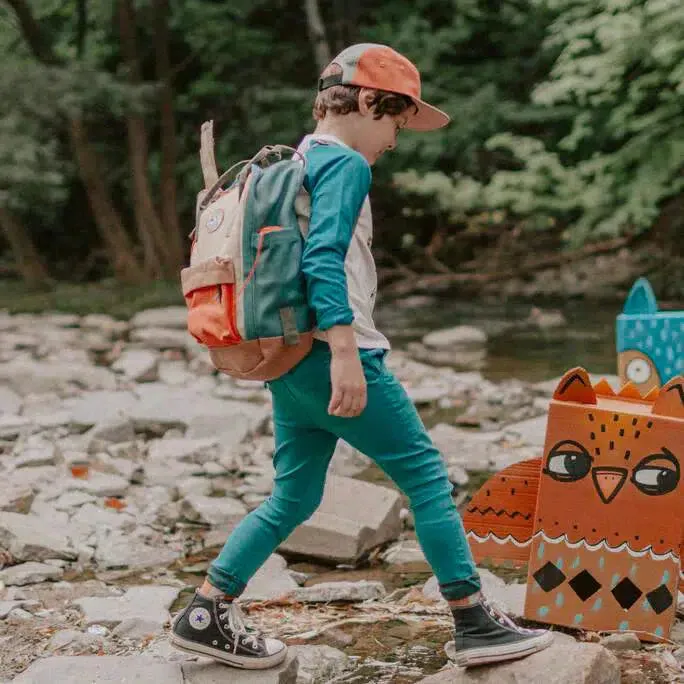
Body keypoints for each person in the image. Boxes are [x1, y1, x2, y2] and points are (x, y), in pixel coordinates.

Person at [170, 43, 553, 670]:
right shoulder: (345, 164)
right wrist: (346, 353)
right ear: (370, 101)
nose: (394, 142)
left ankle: (206, 608)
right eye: (395, 124)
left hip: (287, 360)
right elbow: (322, 259)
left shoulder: (290, 160)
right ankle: (473, 621)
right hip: (333, 354)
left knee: (292, 497)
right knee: (427, 479)